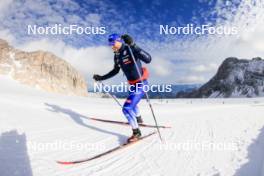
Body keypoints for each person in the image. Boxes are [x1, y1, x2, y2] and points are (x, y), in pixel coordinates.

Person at [93, 33, 152, 142]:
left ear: (120, 41)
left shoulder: (130, 48)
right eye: (109, 44)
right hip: (132, 85)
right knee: (132, 105)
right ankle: (138, 119)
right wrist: (102, 77)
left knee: (126, 108)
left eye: (113, 43)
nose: (111, 46)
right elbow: (115, 71)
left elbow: (148, 59)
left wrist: (133, 45)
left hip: (141, 83)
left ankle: (136, 132)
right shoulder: (117, 55)